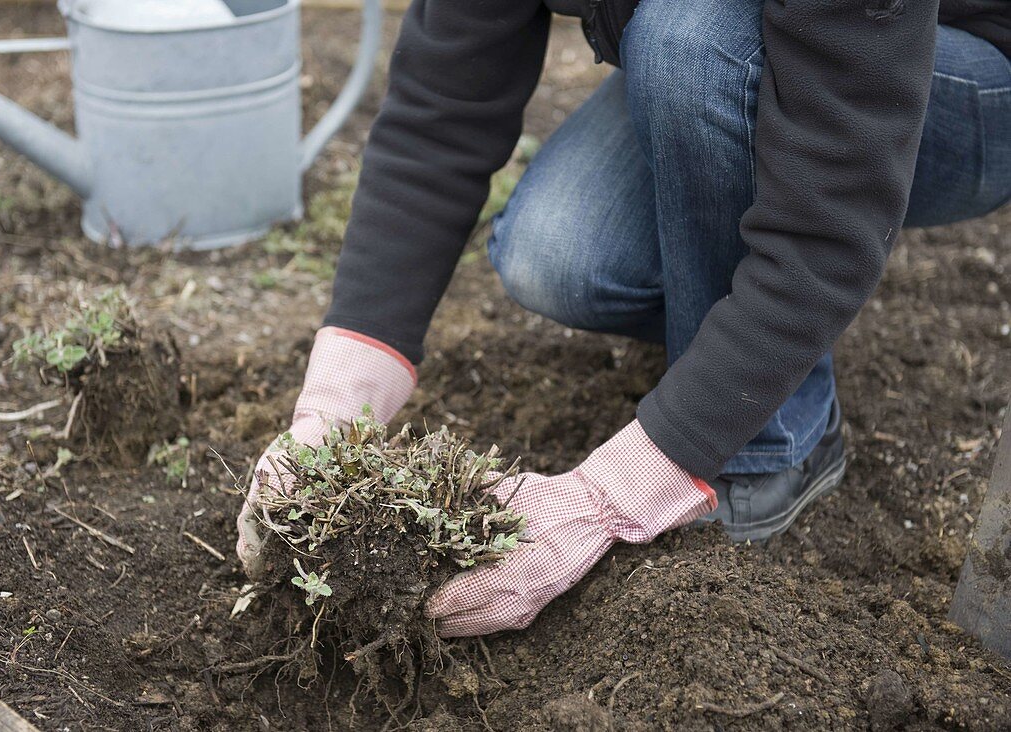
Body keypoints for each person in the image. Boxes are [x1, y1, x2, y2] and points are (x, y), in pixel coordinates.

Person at [238, 0, 1011, 637]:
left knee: (691, 41)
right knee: (556, 253)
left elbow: (829, 232)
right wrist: (333, 409)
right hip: (736, 36)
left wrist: (607, 497)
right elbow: (442, 109)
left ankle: (781, 438)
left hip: (956, 73)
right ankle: (729, 338)